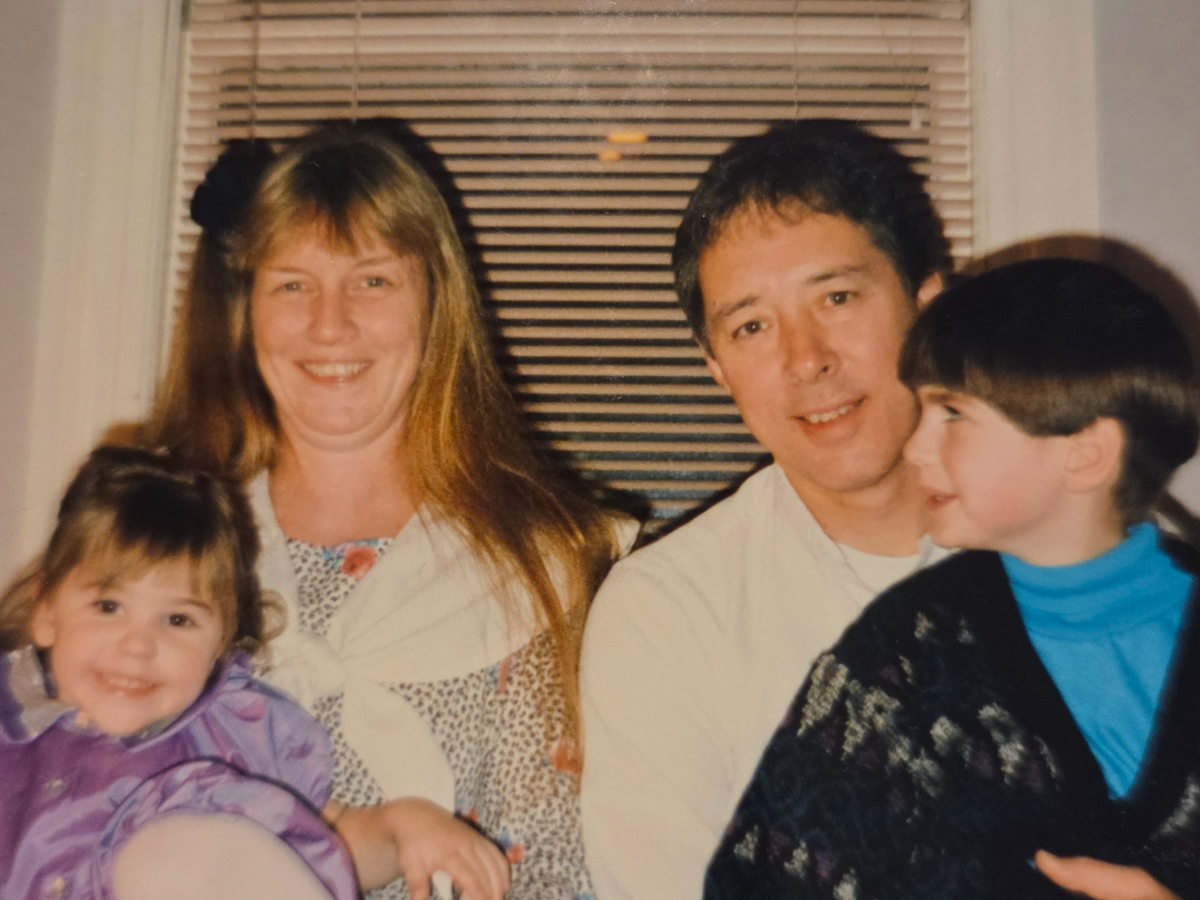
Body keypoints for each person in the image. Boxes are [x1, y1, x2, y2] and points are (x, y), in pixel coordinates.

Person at [579, 120, 1181, 900]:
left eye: (837, 297)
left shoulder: (1092, 555)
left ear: (928, 309)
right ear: (718, 370)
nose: (806, 359)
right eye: (752, 326)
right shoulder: (667, 615)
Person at [127, 125, 627, 900]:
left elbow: (555, 870)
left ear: (435, 302)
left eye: (373, 280)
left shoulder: (538, 564)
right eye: (293, 285)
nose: (331, 325)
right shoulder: (154, 534)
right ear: (244, 311)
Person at [704, 258, 1200, 899]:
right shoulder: (904, 659)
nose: (915, 448)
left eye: (954, 414)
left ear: (1085, 452)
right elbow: (764, 883)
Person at [0, 445, 358, 900]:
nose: (138, 645)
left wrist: (396, 834)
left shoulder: (233, 736)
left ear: (220, 641)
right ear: (47, 612)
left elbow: (323, 836)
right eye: (108, 607)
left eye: (177, 620)